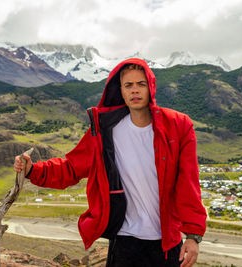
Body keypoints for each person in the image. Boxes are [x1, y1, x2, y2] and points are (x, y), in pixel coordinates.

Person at [14, 58, 207, 267]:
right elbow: (71, 167)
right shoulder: (106, 130)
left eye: (141, 84)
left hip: (167, 243)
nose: (135, 90)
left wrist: (193, 235)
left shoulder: (178, 126)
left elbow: (189, 182)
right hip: (124, 240)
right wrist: (33, 170)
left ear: (151, 87)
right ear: (121, 91)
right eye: (128, 85)